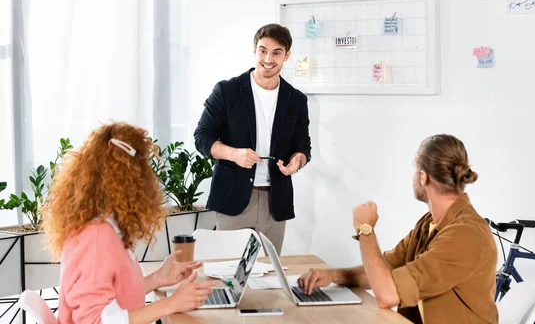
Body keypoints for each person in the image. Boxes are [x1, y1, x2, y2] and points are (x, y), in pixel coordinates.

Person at [298, 134, 498, 324]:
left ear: (423, 177)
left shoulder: (465, 235)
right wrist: (333, 275)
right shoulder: (429, 224)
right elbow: (384, 270)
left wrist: (366, 230)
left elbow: (387, 294)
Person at [42, 122, 216, 324]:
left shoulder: (103, 226)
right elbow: (96, 320)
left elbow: (115, 297)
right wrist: (171, 304)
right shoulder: (95, 238)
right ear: (129, 176)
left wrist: (160, 278)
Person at [194, 23, 311, 255]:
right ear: (254, 51)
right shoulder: (226, 91)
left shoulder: (296, 100)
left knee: (269, 275)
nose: (268, 58)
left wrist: (297, 162)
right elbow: (202, 137)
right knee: (226, 273)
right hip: (232, 199)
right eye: (263, 50)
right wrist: (234, 154)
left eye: (277, 52)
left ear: (286, 55)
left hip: (275, 203)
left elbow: (303, 148)